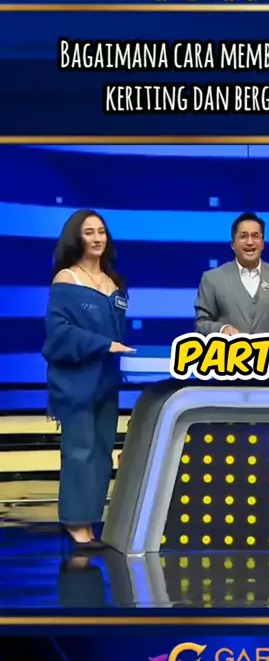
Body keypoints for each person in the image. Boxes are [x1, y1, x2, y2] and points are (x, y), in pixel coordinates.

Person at [42, 210, 135, 550]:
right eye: (89, 232)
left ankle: (89, 520)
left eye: (101, 232)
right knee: (79, 451)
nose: (97, 238)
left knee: (100, 451)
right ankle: (75, 523)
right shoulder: (67, 279)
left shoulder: (113, 282)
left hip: (106, 381)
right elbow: (59, 332)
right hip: (75, 382)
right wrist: (102, 344)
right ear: (76, 237)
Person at [194, 212, 269, 337]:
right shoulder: (212, 279)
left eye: (255, 236)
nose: (250, 242)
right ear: (232, 244)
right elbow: (201, 323)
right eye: (243, 236)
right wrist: (221, 329)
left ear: (263, 243)